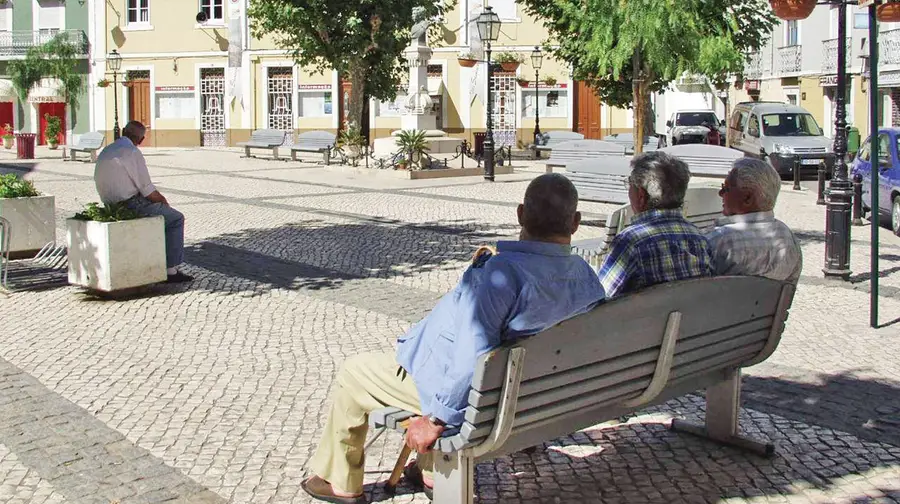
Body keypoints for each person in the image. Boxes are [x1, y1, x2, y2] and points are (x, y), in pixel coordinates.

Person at [301, 174, 604, 504]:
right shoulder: (586, 277)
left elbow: (473, 356)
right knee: (444, 365)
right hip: (535, 394)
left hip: (486, 401)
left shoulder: (502, 273)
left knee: (353, 372)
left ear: (520, 214)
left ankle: (341, 482)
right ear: (575, 223)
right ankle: (431, 472)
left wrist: (435, 421)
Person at [597, 151, 714, 298]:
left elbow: (599, 298)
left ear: (641, 195)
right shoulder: (700, 239)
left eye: (629, 185)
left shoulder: (631, 241)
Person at [93, 121, 193, 283]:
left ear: (124, 132)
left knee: (161, 216)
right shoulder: (132, 152)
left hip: (109, 205)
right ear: (140, 140)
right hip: (129, 204)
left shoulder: (108, 149)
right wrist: (163, 201)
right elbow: (147, 190)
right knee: (175, 219)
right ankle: (171, 270)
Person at [706, 158, 802, 283]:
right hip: (771, 302)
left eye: (726, 188)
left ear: (747, 198)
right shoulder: (789, 238)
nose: (720, 193)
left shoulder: (718, 240)